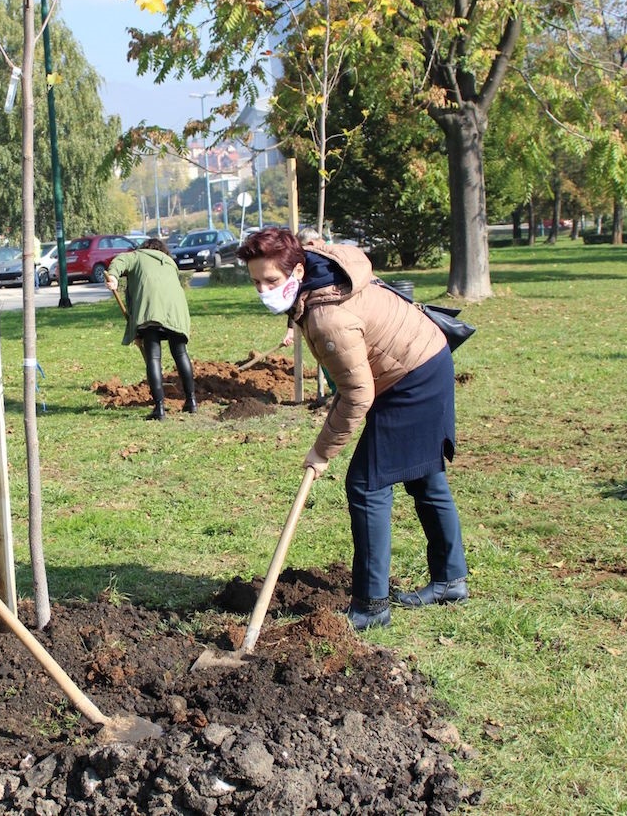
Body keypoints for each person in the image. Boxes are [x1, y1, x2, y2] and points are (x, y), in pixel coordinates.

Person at [238, 228, 469, 631]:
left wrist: (322, 451)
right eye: (256, 282)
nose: (263, 290)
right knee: (424, 478)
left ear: (296, 271)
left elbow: (358, 396)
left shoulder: (328, 318)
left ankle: (371, 605)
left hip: (412, 378)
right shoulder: (319, 267)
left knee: (366, 485)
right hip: (421, 357)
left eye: (271, 281)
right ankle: (450, 580)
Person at [104, 238, 197, 421]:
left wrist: (113, 277)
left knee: (153, 357)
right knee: (180, 353)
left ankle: (159, 408)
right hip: (177, 312)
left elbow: (120, 260)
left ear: (144, 248)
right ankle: (191, 402)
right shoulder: (169, 262)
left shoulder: (137, 256)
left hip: (151, 310)